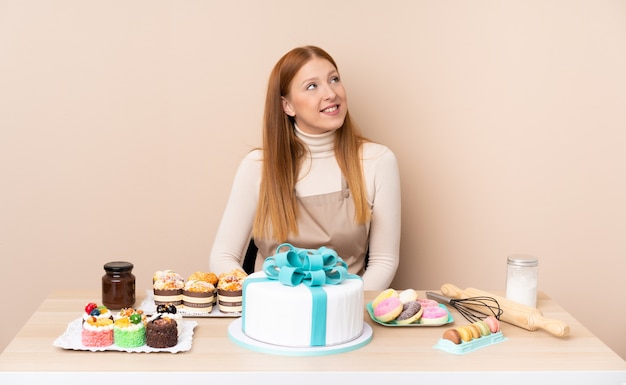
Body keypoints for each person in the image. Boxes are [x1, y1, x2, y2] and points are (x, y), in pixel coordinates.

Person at [208, 45, 401, 290]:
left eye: (334, 79)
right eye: (312, 86)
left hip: (344, 312)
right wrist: (264, 300)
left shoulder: (378, 161)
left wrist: (343, 305)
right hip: (272, 312)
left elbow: (384, 262)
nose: (331, 93)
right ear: (287, 106)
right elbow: (223, 255)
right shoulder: (257, 166)